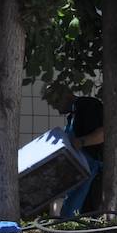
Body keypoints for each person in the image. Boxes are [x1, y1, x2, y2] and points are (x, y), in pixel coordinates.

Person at [43, 83, 104, 217]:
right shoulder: (73, 114)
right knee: (71, 209)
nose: (53, 106)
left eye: (55, 102)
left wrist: (81, 142)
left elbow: (102, 134)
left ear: (66, 96)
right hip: (79, 169)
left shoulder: (87, 106)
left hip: (91, 168)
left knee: (80, 211)